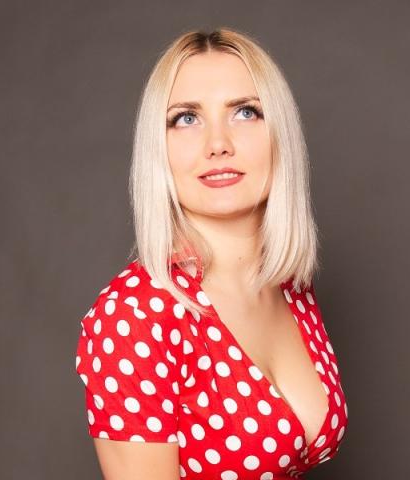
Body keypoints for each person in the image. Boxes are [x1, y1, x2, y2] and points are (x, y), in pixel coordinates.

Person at [74, 27, 349, 479]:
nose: (218, 144)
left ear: (280, 134)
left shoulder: (289, 286)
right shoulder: (135, 315)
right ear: (157, 147)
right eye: (186, 118)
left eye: (245, 112)